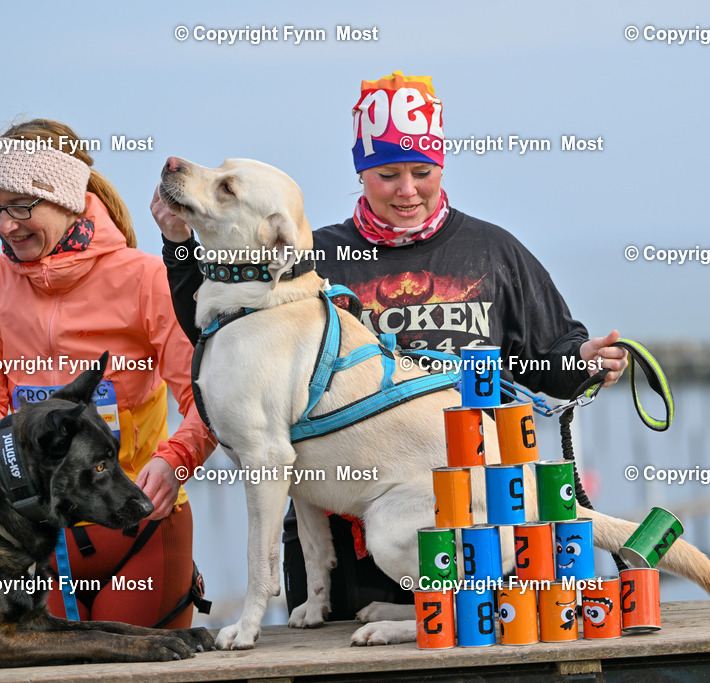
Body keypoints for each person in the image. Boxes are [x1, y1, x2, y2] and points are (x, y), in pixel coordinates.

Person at [153, 72, 628, 620]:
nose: (407, 190)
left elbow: (548, 361)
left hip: (469, 521)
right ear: (361, 173)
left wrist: (584, 363)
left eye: (422, 172)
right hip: (342, 548)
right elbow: (222, 337)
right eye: (387, 174)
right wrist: (178, 247)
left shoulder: (494, 252)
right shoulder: (311, 255)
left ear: (441, 167)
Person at [0, 119, 216, 628]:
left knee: (129, 662)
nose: (6, 225)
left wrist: (175, 461)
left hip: (139, 524)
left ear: (68, 199)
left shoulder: (145, 278)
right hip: (33, 534)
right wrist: (1, 447)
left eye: (21, 206)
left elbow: (206, 399)